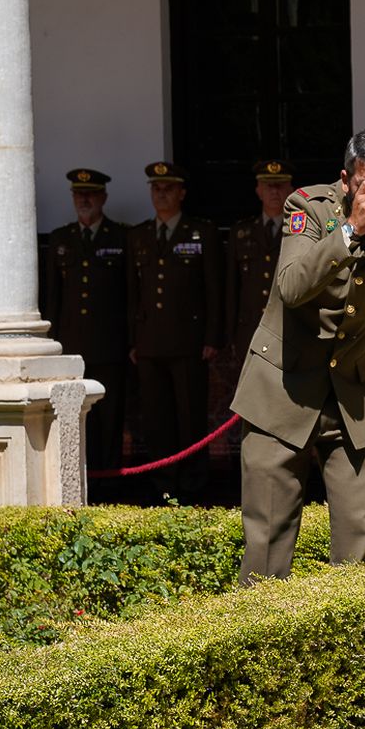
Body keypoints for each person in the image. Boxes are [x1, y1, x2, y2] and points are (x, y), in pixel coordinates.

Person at [231, 129, 365, 582]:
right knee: (267, 546)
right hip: (283, 387)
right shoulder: (307, 207)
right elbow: (291, 287)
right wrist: (351, 230)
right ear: (346, 181)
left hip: (354, 390)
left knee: (360, 544)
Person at [126, 161, 223, 497]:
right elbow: (132, 294)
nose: (161, 194)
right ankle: (163, 483)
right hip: (150, 343)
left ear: (181, 193)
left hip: (189, 343)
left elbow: (213, 289)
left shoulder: (201, 232)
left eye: (168, 188)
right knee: (157, 419)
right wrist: (133, 341)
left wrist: (212, 337)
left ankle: (193, 483)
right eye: (156, 188)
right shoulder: (139, 236)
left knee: (189, 416)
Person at [43, 168, 129, 471]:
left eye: (90, 194)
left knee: (110, 416)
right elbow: (53, 297)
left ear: (103, 197)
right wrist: (52, 343)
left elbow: (130, 294)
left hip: (110, 345)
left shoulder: (121, 236)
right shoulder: (60, 238)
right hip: (71, 346)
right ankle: (81, 475)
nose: (84, 199)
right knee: (75, 415)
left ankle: (110, 478)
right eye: (79, 194)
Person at [227, 159, 294, 360]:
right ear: (258, 190)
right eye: (268, 185)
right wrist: (229, 335)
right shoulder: (241, 232)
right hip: (250, 328)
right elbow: (232, 288)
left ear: (291, 190)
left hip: (288, 327)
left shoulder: (301, 229)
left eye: (280, 185)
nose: (274, 191)